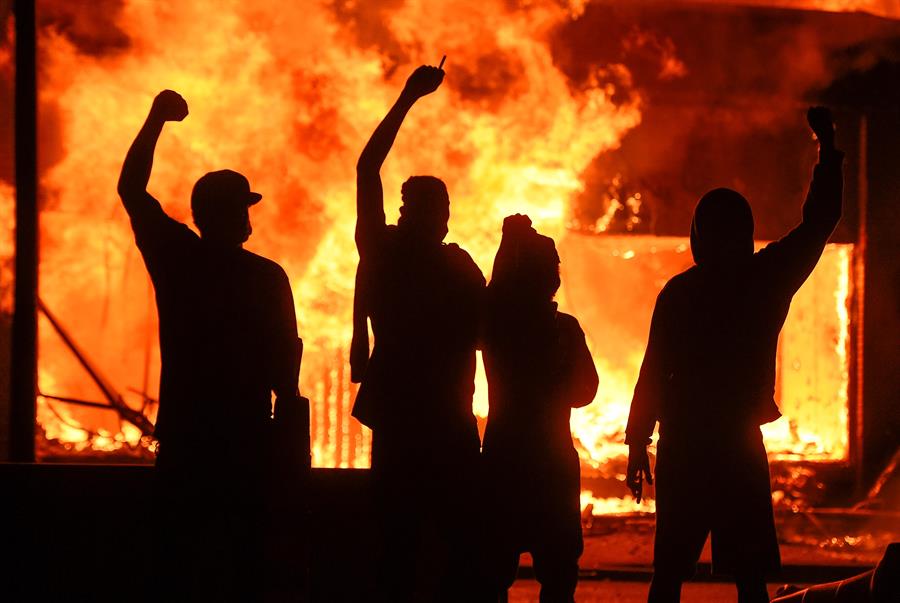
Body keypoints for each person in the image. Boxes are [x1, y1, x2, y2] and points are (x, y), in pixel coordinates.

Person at [625, 107, 843, 603]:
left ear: (698, 235)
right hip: (737, 446)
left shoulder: (679, 294)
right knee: (749, 580)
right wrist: (827, 149)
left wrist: (638, 442)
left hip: (685, 447)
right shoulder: (765, 279)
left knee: (669, 575)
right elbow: (821, 220)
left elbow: (653, 372)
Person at [118, 90, 303, 600]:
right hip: (246, 442)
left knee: (178, 562)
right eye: (244, 208)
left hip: (187, 435)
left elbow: (131, 188)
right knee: (247, 565)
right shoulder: (267, 277)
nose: (250, 217)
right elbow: (285, 367)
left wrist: (155, 119)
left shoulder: (177, 258)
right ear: (231, 214)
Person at [352, 64, 487, 602]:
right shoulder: (443, 263)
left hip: (408, 420)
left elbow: (366, 169)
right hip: (443, 421)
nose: (442, 218)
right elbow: (489, 336)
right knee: (446, 549)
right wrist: (407, 97)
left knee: (399, 546)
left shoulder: (392, 255)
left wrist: (409, 98)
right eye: (438, 209)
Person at [482, 215, 598, 603]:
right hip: (552, 461)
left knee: (494, 571)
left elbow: (494, 296)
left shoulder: (499, 326)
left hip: (505, 458)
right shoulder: (564, 329)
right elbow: (587, 390)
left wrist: (508, 242)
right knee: (559, 572)